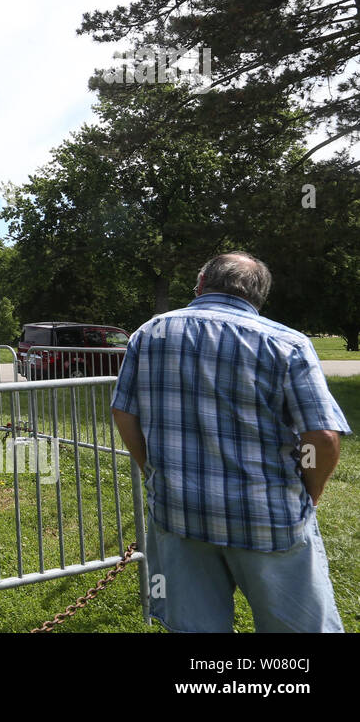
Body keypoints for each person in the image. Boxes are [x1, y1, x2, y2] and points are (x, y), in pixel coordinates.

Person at [110, 252, 350, 632]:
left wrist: (152, 472)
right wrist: (310, 491)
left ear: (203, 284)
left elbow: (124, 413)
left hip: (177, 512)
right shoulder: (287, 343)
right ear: (257, 296)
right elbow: (320, 437)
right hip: (268, 518)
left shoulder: (150, 332)